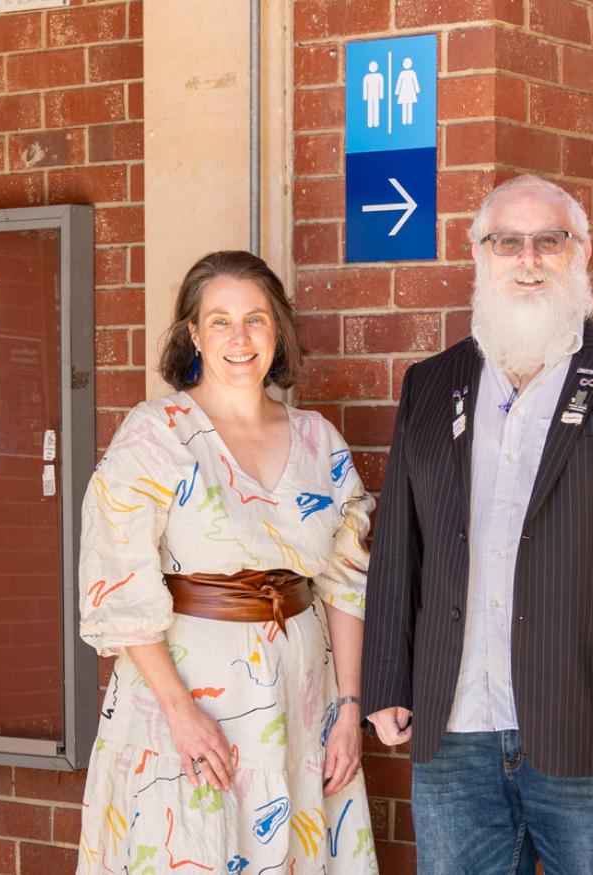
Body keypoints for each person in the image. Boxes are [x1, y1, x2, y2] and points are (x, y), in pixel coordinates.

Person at [361, 175, 593, 874]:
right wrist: (386, 679)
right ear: (479, 255)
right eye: (506, 242)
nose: (527, 258)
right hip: (454, 732)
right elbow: (399, 552)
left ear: (581, 254)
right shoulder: (430, 386)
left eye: (549, 240)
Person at [76, 251, 379, 874]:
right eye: (220, 321)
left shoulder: (321, 441)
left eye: (255, 320)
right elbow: (119, 589)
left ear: (278, 332)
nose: (239, 338)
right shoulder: (154, 434)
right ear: (193, 333)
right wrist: (180, 714)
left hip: (299, 698)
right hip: (183, 700)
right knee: (191, 848)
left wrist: (348, 710)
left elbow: (348, 584)